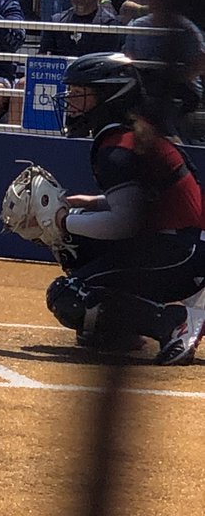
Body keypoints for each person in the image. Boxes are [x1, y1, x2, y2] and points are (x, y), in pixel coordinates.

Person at [45, 51, 205, 365]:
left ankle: (173, 322)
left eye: (80, 94)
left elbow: (125, 223)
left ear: (108, 95)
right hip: (185, 245)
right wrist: (91, 204)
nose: (71, 102)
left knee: (69, 294)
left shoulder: (117, 147)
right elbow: (147, 202)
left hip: (182, 251)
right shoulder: (131, 136)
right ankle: (119, 328)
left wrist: (63, 221)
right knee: (78, 246)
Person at [7, 0, 121, 124]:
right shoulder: (57, 20)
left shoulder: (108, 24)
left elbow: (107, 67)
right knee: (22, 84)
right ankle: (15, 137)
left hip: (91, 83)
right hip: (59, 79)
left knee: (80, 93)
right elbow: (43, 57)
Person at [121, 0, 205, 136]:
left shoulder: (186, 29)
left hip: (182, 90)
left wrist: (175, 76)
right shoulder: (138, 26)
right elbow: (128, 58)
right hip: (145, 88)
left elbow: (200, 63)